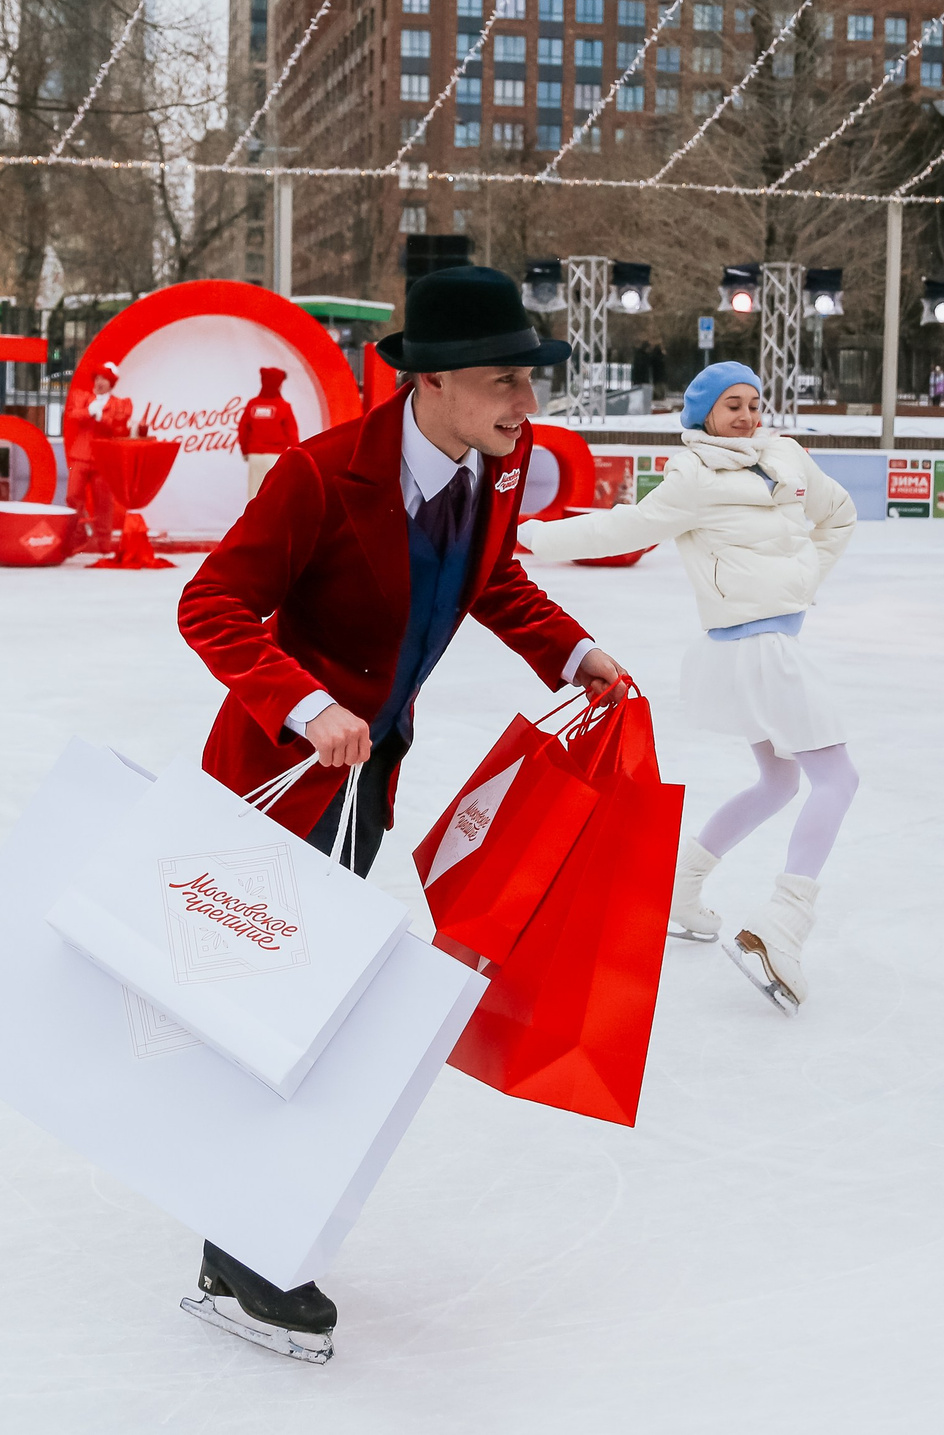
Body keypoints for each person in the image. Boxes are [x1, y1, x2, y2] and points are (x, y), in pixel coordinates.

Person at [174, 265, 627, 1363]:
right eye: (504, 381)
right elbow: (211, 603)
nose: (526, 403)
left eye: (530, 379)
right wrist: (308, 706)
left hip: (365, 789)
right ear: (430, 382)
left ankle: (240, 1233)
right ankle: (242, 1249)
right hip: (275, 787)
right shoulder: (320, 476)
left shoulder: (496, 469)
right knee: (271, 1013)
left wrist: (572, 651)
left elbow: (489, 579)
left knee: (316, 1007)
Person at [520, 362, 858, 1015]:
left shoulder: (786, 456)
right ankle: (782, 926)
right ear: (703, 413)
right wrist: (528, 533)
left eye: (754, 402)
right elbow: (618, 528)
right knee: (838, 780)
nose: (748, 415)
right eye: (733, 404)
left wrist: (800, 578)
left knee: (779, 782)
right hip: (756, 650)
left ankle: (679, 884)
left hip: (766, 642)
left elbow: (838, 515)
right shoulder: (693, 477)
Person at [61, 365, 131, 550]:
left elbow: (120, 428)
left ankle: (103, 542)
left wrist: (102, 418)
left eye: (104, 379)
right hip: (80, 456)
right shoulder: (83, 398)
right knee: (73, 496)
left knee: (103, 501)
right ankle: (77, 535)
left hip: (103, 459)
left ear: (111, 383)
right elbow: (72, 416)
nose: (99, 382)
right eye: (97, 378)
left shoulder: (120, 404)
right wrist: (89, 412)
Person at [237, 365, 302, 501]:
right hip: (275, 456)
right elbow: (292, 433)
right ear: (277, 384)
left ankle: (253, 515)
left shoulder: (253, 404)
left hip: (255, 455)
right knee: (275, 493)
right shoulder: (283, 406)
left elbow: (243, 429)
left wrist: (245, 451)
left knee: (254, 493)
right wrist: (296, 454)